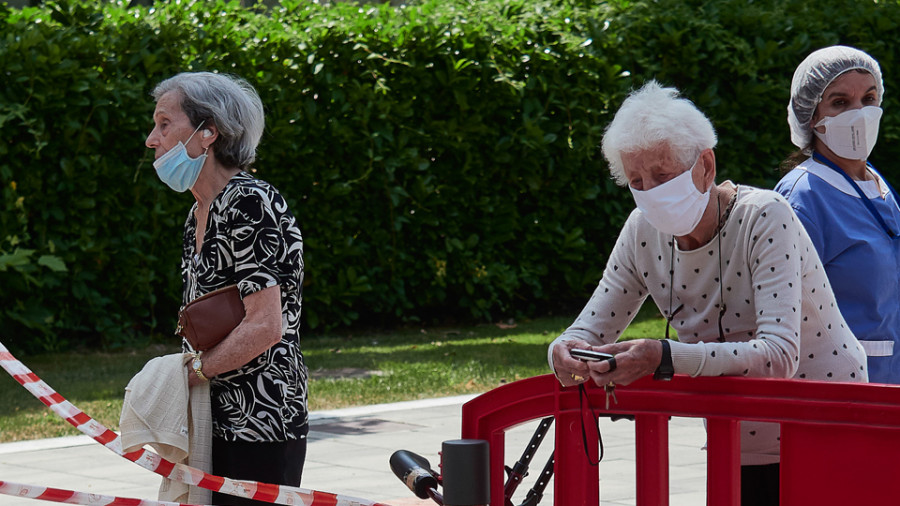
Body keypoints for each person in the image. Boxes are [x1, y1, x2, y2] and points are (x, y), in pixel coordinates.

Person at [547, 81, 867, 505]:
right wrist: (564, 351)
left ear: (706, 165)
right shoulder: (642, 230)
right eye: (636, 180)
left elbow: (777, 355)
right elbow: (588, 328)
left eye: (662, 175)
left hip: (822, 426)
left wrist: (664, 357)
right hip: (734, 433)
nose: (649, 192)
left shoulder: (765, 216)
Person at [145, 72, 308, 506]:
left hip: (260, 418)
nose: (151, 140)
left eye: (164, 124)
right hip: (210, 418)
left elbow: (265, 326)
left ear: (208, 132)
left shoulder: (248, 202)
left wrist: (190, 375)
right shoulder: (198, 212)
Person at [775, 45, 900, 384]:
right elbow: (780, 312)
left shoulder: (876, 184)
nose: (859, 113)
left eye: (869, 98)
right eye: (840, 103)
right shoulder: (803, 198)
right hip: (843, 389)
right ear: (812, 116)